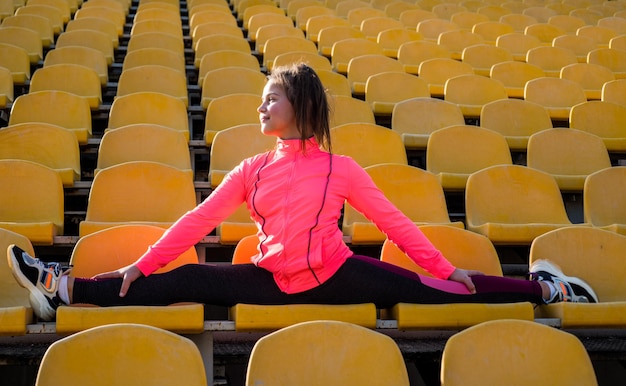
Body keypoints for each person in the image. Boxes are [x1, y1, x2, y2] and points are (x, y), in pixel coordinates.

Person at [7, 63, 597, 322]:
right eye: (262, 97)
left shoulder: (340, 167)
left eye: (272, 97)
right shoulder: (252, 168)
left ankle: (548, 288)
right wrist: (143, 262)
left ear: (300, 106)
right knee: (179, 280)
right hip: (270, 280)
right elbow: (198, 220)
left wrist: (443, 265)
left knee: (442, 290)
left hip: (338, 275)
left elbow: (393, 224)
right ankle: (64, 287)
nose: (262, 105)